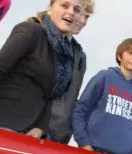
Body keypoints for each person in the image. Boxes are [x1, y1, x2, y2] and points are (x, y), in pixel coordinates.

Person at [0, 0, 81, 137]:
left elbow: (50, 95)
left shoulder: (65, 51)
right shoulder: (30, 30)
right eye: (64, 5)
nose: (71, 12)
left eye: (77, 10)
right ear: (49, 9)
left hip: (28, 134)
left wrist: (41, 127)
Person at [72, 38, 132, 154]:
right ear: (119, 56)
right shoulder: (104, 77)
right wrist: (84, 143)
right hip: (94, 152)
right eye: (130, 52)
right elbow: (80, 110)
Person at [31, 0, 94, 144]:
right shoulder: (37, 34)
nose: (83, 21)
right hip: (33, 128)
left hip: (60, 135)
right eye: (80, 14)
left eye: (87, 17)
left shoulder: (80, 55)